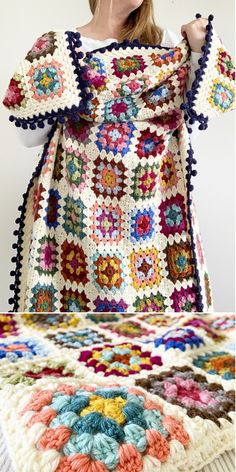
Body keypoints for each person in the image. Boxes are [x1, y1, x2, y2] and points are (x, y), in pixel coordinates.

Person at [2, 0, 235, 313]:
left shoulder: (165, 45)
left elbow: (192, 123)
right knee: (76, 331)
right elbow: (27, 133)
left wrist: (197, 51)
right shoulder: (58, 50)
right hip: (77, 223)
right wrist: (59, 95)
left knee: (161, 339)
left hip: (153, 222)